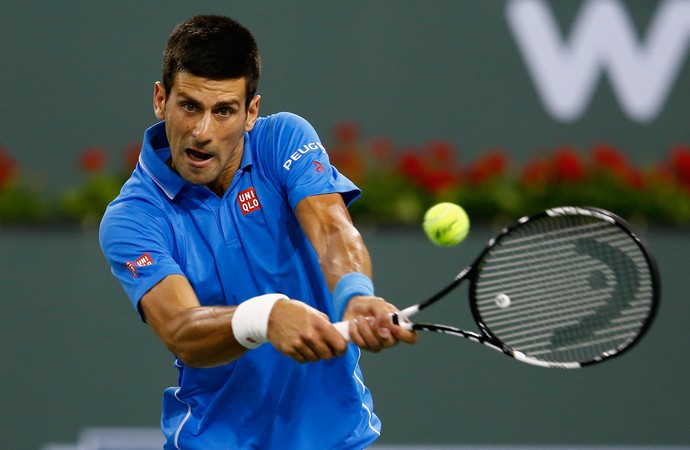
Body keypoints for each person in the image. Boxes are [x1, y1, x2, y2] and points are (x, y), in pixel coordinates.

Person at [99, 14, 417, 450]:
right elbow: (182, 329)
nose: (201, 132)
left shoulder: (282, 140)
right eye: (189, 105)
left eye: (223, 110)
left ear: (251, 112)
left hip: (335, 438)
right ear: (160, 100)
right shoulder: (133, 217)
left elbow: (330, 228)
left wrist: (355, 294)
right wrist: (266, 317)